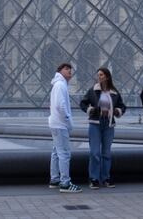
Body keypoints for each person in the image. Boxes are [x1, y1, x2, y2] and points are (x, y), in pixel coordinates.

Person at [80, 67, 127, 189]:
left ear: (107, 76)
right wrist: (90, 110)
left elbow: (122, 106)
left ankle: (106, 178)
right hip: (95, 123)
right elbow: (83, 103)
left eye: (101, 75)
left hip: (109, 124)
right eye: (98, 75)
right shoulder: (93, 90)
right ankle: (94, 178)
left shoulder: (114, 92)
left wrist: (117, 111)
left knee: (106, 153)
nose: (98, 77)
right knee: (95, 152)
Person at [49, 63, 81, 193]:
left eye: (70, 70)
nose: (70, 71)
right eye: (66, 69)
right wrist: (68, 121)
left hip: (55, 123)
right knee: (64, 154)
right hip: (60, 124)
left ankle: (55, 180)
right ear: (60, 71)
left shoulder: (57, 84)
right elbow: (61, 106)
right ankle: (65, 183)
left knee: (56, 152)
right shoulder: (61, 85)